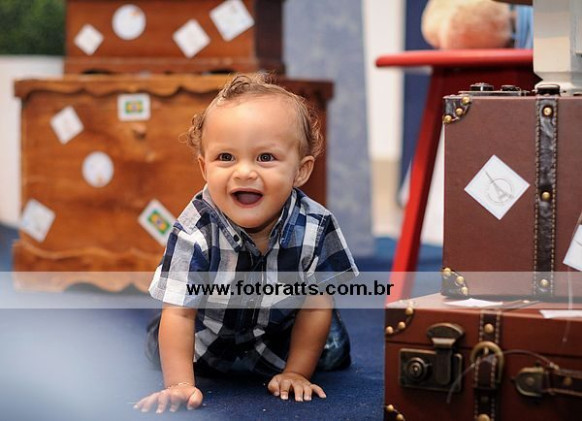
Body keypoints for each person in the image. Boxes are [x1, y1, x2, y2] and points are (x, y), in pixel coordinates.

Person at [134, 73, 358, 413]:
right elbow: (179, 313)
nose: (244, 172)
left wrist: (296, 372)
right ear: (204, 167)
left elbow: (315, 307)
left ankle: (311, 351)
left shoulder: (316, 226)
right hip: (210, 339)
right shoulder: (194, 230)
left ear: (300, 171)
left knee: (332, 348)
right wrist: (179, 384)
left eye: (265, 157)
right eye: (226, 157)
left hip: (282, 335)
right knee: (160, 343)